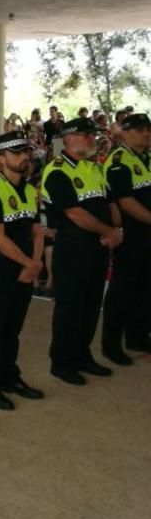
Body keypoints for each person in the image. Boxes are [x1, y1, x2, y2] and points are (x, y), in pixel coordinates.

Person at [41, 118, 120, 385]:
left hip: (97, 246)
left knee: (90, 304)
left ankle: (83, 355)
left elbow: (109, 203)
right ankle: (62, 362)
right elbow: (74, 213)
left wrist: (117, 229)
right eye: (87, 135)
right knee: (70, 306)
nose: (92, 140)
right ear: (70, 138)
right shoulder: (56, 170)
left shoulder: (94, 168)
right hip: (73, 246)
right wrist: (108, 231)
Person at [0, 132, 46, 411]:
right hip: (1, 270)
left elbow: (37, 231)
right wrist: (29, 264)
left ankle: (9, 377)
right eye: (17, 153)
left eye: (26, 153)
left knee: (13, 328)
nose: (24, 158)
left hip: (27, 269)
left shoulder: (30, 190)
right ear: (0, 159)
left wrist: (36, 262)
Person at [101, 113, 151, 363]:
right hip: (129, 235)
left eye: (148, 129)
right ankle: (111, 345)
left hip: (147, 235)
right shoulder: (118, 160)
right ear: (126, 133)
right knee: (122, 290)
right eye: (141, 130)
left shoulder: (147, 158)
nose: (147, 133)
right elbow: (126, 202)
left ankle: (137, 335)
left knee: (144, 288)